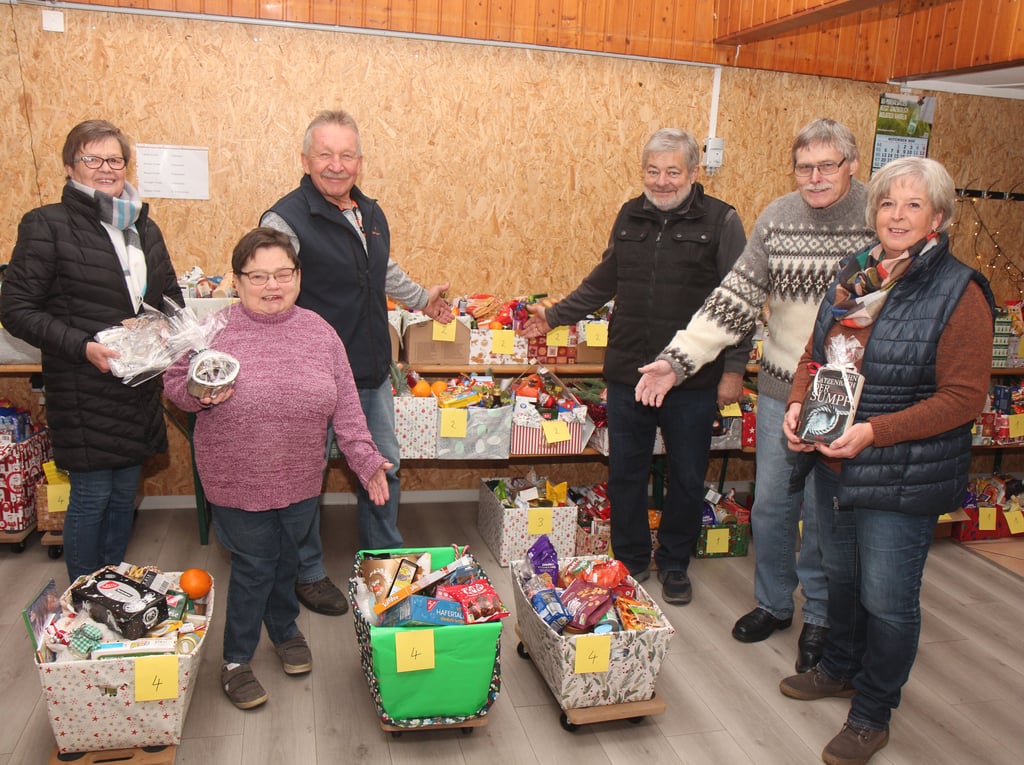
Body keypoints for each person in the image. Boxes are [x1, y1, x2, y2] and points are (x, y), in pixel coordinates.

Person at [635, 119, 875, 669]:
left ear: (853, 165)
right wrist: (677, 360)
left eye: (827, 166)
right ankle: (773, 603)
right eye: (804, 167)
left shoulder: (876, 217)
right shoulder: (777, 217)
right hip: (778, 388)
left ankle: (821, 616)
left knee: (825, 512)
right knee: (770, 504)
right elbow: (734, 298)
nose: (815, 178)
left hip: (845, 395)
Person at [776, 156, 993, 764]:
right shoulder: (854, 273)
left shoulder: (960, 290)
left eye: (913, 205)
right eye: (888, 203)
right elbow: (815, 355)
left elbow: (964, 398)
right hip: (835, 465)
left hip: (901, 473)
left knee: (888, 600)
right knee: (842, 582)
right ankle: (840, 668)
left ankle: (872, 713)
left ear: (937, 218)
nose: (897, 215)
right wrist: (797, 405)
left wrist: (874, 432)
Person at [163, 227, 391, 710]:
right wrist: (201, 393)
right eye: (258, 276)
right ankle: (235, 659)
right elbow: (176, 384)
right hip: (235, 477)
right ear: (237, 281)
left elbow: (347, 407)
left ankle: (284, 630)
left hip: (301, 476)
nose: (272, 285)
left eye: (283, 274)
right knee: (255, 566)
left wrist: (366, 460)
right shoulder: (212, 330)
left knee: (289, 559)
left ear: (298, 277)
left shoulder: (320, 332)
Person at [522, 128, 748, 606]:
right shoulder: (630, 214)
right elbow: (604, 279)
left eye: (673, 172)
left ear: (694, 172)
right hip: (629, 370)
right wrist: (555, 315)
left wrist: (733, 369)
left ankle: (675, 562)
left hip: (692, 377)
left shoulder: (721, 220)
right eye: (653, 170)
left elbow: (740, 300)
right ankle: (629, 560)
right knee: (626, 472)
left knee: (687, 475)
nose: (662, 181)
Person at [260, 110, 453, 616]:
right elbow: (270, 289)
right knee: (305, 478)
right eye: (325, 154)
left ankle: (385, 563)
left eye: (347, 155)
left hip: (367, 371)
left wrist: (422, 299)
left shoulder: (369, 212)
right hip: (310, 376)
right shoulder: (285, 219)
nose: (336, 165)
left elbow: (381, 270)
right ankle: (306, 572)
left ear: (360, 161)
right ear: (306, 159)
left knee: (382, 467)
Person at [1, 119, 183, 583]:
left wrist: (168, 330)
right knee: (92, 496)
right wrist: (83, 346)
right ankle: (84, 596)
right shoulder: (47, 224)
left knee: (123, 496)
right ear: (70, 167)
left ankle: (114, 586)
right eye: (92, 159)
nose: (106, 168)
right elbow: (15, 308)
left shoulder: (143, 224)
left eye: (115, 159)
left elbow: (169, 296)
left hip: (136, 383)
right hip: (83, 384)